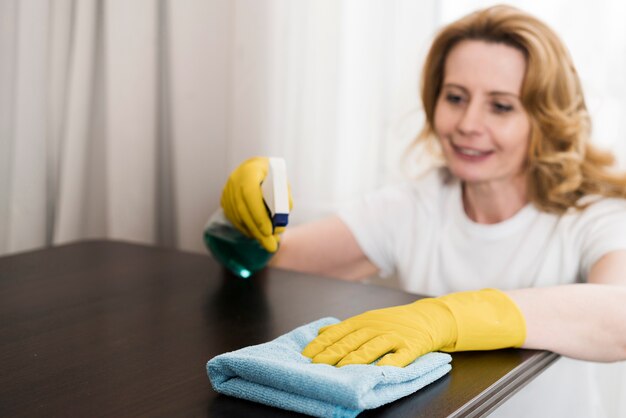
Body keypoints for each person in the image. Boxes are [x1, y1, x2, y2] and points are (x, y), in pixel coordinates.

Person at [218, 5, 626, 416]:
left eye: (500, 106)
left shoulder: (593, 214)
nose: (468, 123)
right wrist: (242, 220)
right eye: (455, 97)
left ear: (546, 118)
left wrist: (447, 317)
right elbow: (273, 266)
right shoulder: (417, 205)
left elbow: (620, 315)